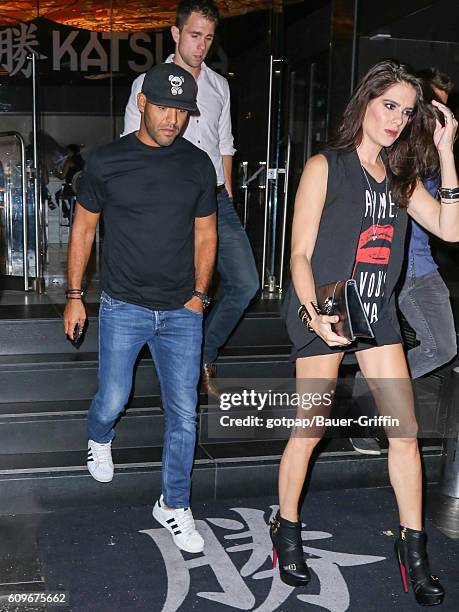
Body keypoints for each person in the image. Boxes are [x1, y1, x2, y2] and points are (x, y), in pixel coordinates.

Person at [276, 60, 459, 606]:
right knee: (308, 431)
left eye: (407, 112)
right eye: (389, 106)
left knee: (405, 434)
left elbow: (451, 227)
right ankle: (286, 529)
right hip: (324, 307)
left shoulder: (402, 181)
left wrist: (447, 151)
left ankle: (413, 550)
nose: (397, 120)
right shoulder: (324, 166)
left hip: (377, 315)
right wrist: (316, 316)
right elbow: (300, 253)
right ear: (366, 102)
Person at [63, 63, 217, 554]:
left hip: (180, 311)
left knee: (184, 414)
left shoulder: (197, 165)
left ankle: (173, 503)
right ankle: (98, 434)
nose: (173, 119)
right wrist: (73, 297)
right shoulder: (107, 162)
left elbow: (206, 234)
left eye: (183, 111)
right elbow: (83, 230)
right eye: (165, 107)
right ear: (143, 104)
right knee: (113, 396)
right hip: (122, 305)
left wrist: (198, 297)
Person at [122, 0, 259, 398]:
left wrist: (228, 191)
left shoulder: (219, 85)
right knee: (182, 288)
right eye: (195, 35)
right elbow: (133, 146)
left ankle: (203, 354)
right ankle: (176, 370)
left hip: (216, 198)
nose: (201, 45)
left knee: (246, 283)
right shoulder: (149, 83)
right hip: (171, 204)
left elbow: (226, 144)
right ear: (177, 34)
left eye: (209, 38)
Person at [350, 68, 457, 456]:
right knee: (436, 347)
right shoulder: (399, 150)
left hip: (423, 266)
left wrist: (446, 151)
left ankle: (371, 383)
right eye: (432, 107)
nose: (439, 115)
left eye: (444, 106)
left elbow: (449, 223)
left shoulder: (431, 149)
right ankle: (369, 400)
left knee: (442, 347)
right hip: (398, 269)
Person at [57, 144, 85, 219]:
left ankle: (67, 212)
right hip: (81, 189)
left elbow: (62, 176)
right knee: (74, 203)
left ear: (71, 152)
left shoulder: (69, 161)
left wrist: (57, 174)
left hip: (70, 187)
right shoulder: (83, 161)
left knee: (57, 195)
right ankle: (72, 214)